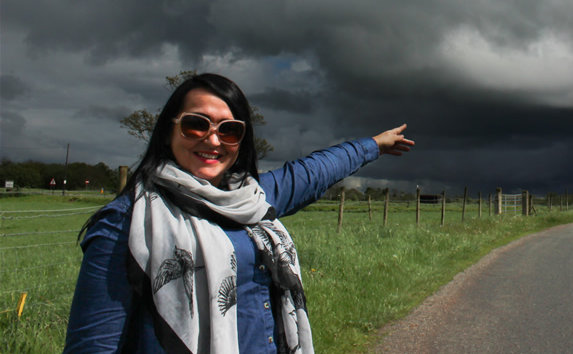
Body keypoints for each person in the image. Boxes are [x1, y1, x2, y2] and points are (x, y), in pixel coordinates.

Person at [64, 73, 414, 354]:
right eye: (196, 125)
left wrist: (373, 145)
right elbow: (93, 344)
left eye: (229, 130)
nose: (213, 140)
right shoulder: (128, 222)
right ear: (169, 130)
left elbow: (311, 172)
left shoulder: (250, 199)